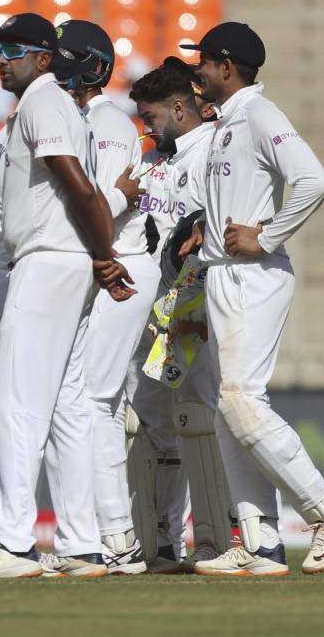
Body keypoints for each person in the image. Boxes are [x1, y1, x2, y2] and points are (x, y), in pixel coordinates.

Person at [0, 13, 134, 579]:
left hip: (50, 261)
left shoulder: (45, 99)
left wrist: (104, 254)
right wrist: (96, 256)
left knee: (16, 404)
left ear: (46, 58)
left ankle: (14, 544)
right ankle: (80, 546)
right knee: (69, 408)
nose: (1, 58)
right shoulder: (46, 101)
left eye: (14, 49)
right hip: (63, 259)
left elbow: (77, 183)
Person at [179, 22, 324, 575]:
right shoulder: (226, 123)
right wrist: (200, 233)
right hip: (222, 274)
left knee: (239, 400)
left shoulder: (260, 115)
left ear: (227, 66)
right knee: (228, 410)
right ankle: (258, 543)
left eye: (203, 61)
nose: (197, 71)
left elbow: (313, 180)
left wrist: (268, 235)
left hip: (252, 275)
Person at [44, 19, 157, 575]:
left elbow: (106, 207)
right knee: (95, 404)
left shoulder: (108, 119)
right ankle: (105, 536)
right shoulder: (83, 117)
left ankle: (117, 540)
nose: (50, 64)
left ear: (89, 65)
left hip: (125, 268)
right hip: (109, 269)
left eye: (59, 56)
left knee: (96, 403)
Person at [126, 60, 232, 573]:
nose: (145, 126)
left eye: (150, 116)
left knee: (201, 416)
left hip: (199, 306)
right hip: (151, 314)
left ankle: (218, 540)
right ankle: (165, 543)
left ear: (177, 108)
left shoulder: (213, 151)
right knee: (153, 423)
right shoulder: (147, 161)